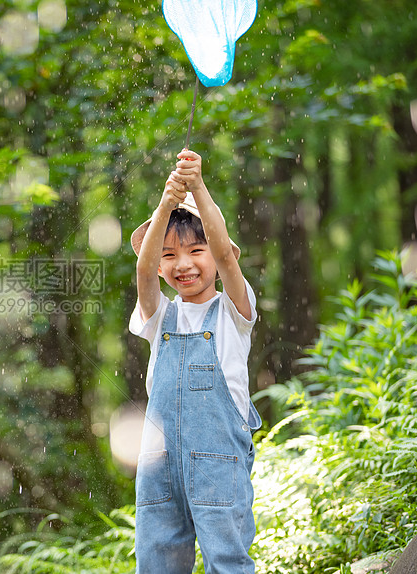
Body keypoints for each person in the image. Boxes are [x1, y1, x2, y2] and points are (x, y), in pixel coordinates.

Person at [129, 149, 262, 573]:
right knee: (157, 561)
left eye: (195, 250)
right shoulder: (159, 317)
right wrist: (166, 204)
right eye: (169, 254)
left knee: (227, 560)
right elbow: (144, 273)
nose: (183, 264)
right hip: (159, 464)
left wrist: (198, 188)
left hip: (218, 461)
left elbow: (226, 254)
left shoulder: (233, 313)